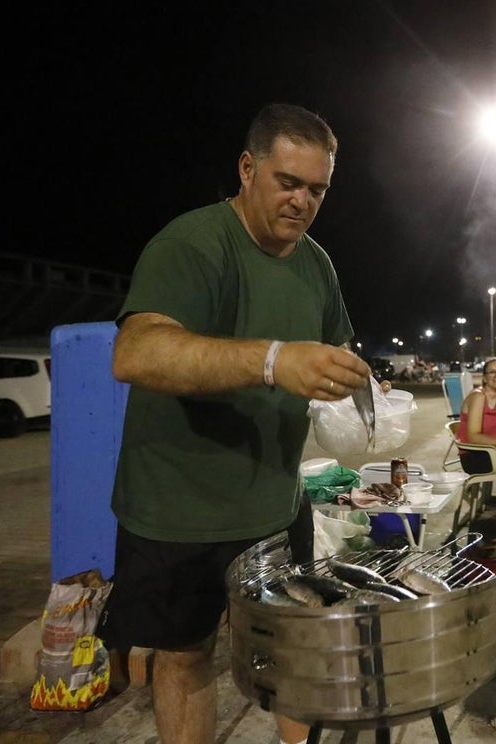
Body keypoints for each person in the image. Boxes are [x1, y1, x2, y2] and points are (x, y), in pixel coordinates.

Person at [98, 104, 371, 744]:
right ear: (248, 169)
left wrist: (355, 398)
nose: (302, 201)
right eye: (288, 182)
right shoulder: (192, 245)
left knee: (295, 651)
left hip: (276, 505)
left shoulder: (317, 266)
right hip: (178, 511)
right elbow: (136, 353)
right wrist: (274, 360)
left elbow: (339, 357)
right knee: (188, 657)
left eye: (317, 189)